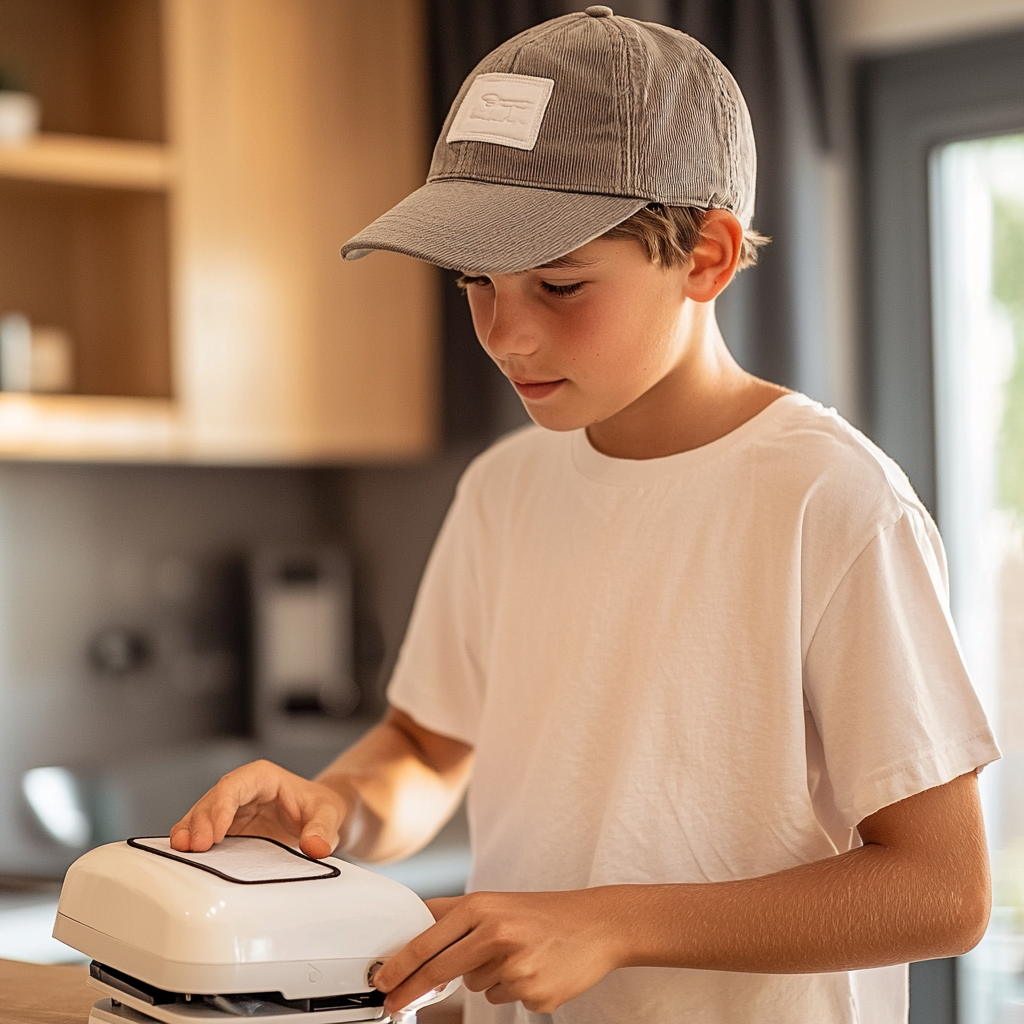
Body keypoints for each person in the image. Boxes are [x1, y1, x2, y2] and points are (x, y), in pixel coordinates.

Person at [170, 9, 1000, 1023]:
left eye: (560, 284)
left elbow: (943, 892)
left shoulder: (832, 502)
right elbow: (428, 749)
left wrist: (608, 923)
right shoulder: (505, 488)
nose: (506, 334)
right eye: (474, 283)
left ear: (706, 256)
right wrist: (337, 805)